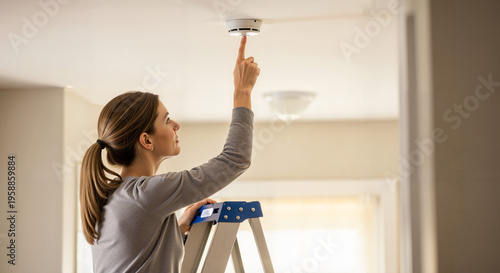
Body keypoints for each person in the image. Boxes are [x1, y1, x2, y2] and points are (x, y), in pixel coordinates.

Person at [79, 36, 260, 273]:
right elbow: (235, 159)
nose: (176, 125)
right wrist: (242, 92)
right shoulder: (146, 194)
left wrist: (177, 226)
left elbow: (134, 251)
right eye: (166, 120)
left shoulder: (115, 196)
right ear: (146, 140)